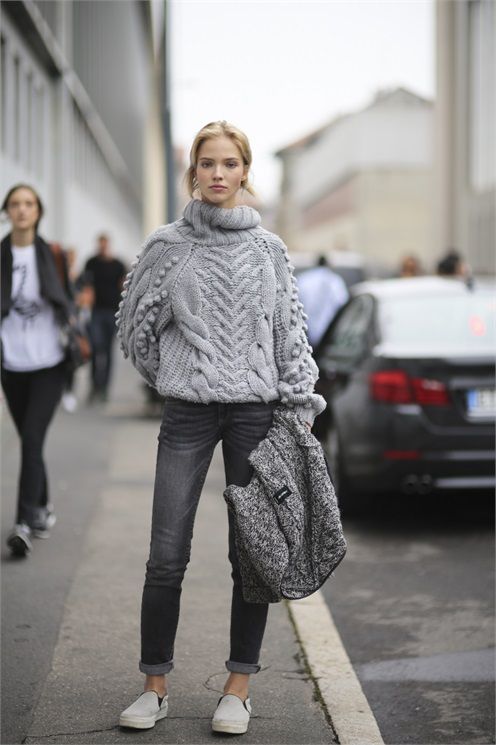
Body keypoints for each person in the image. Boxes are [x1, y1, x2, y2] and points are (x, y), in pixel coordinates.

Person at [116, 121, 326, 735]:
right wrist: (175, 373)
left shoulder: (269, 250)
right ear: (194, 171)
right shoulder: (167, 245)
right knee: (166, 554)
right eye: (207, 162)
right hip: (187, 412)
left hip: (255, 415)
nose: (218, 173)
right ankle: (154, 685)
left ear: (245, 171)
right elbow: (135, 328)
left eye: (229, 163)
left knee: (251, 554)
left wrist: (298, 405)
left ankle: (238, 688)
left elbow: (290, 334)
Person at [1, 185, 72, 557]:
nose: (22, 210)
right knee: (31, 441)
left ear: (38, 211)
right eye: (15, 204)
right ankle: (42, 507)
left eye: (28, 204)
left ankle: (24, 522)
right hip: (11, 364)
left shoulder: (52, 254)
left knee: (30, 439)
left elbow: (67, 300)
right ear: (7, 212)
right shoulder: (1, 255)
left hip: (49, 363)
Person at [83, 233, 126, 402]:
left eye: (105, 244)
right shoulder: (91, 263)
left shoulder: (118, 265)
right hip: (96, 312)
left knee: (108, 351)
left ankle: (104, 388)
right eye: (100, 244)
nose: (102, 247)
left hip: (113, 312)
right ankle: (94, 385)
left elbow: (124, 286)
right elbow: (86, 285)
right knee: (95, 348)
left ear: (108, 245)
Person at [296, 254, 349, 348]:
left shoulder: (303, 279)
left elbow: (296, 301)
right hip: (329, 330)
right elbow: (342, 302)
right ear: (328, 264)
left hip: (306, 328)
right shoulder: (335, 280)